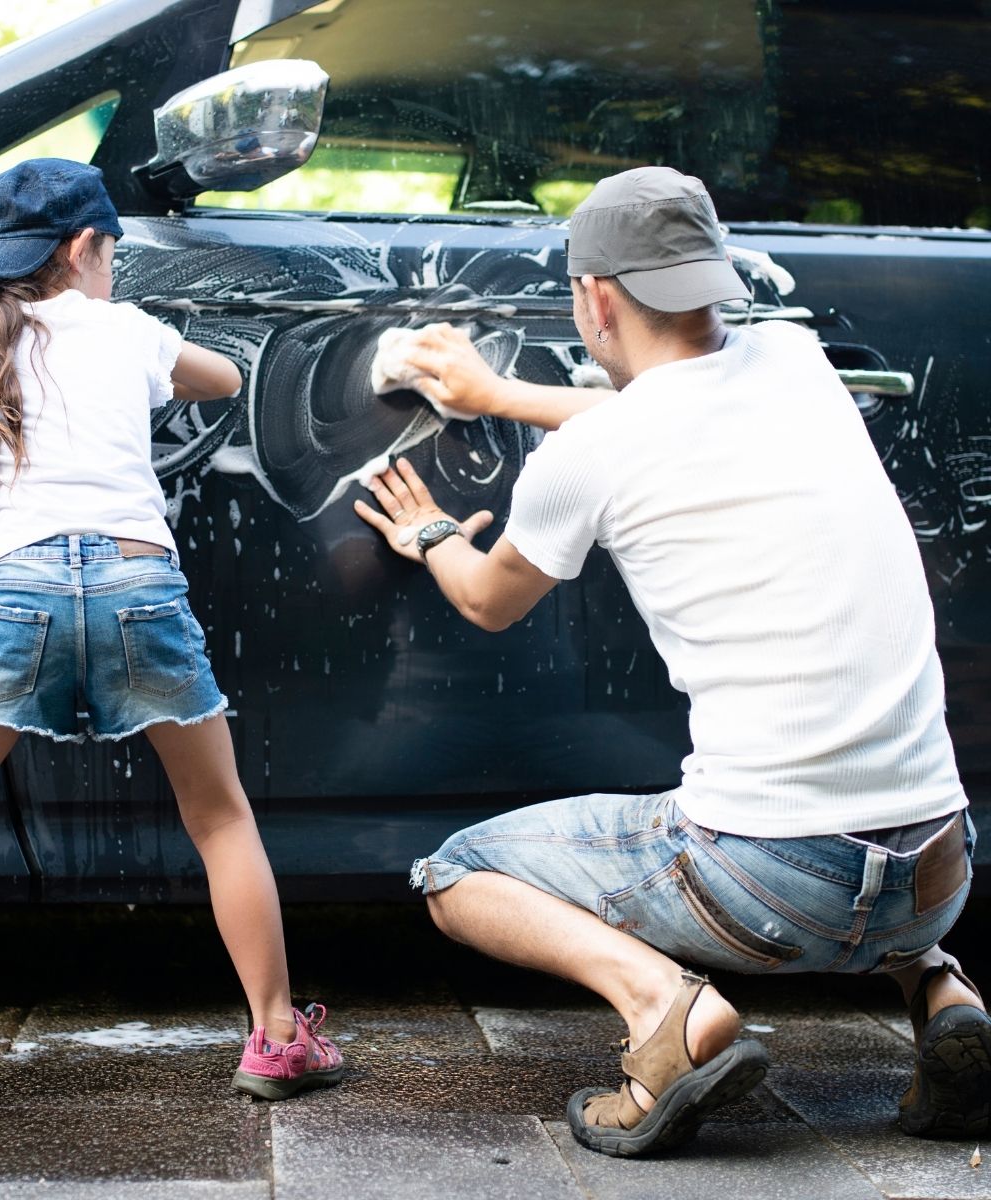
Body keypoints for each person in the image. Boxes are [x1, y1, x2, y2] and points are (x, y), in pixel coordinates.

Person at [355, 165, 988, 1158]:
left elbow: (487, 599)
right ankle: (946, 992)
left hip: (775, 886)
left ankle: (667, 1012)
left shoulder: (592, 458)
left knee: (458, 874)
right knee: (868, 828)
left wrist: (431, 533)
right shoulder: (797, 361)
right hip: (940, 865)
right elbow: (664, 413)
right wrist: (501, 393)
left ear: (595, 298)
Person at [0, 158, 342, 1119]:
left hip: (18, 594)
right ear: (85, 248)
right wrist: (129, 318)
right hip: (141, 586)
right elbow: (221, 378)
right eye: (112, 252)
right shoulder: (129, 329)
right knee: (218, 813)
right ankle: (275, 1037)